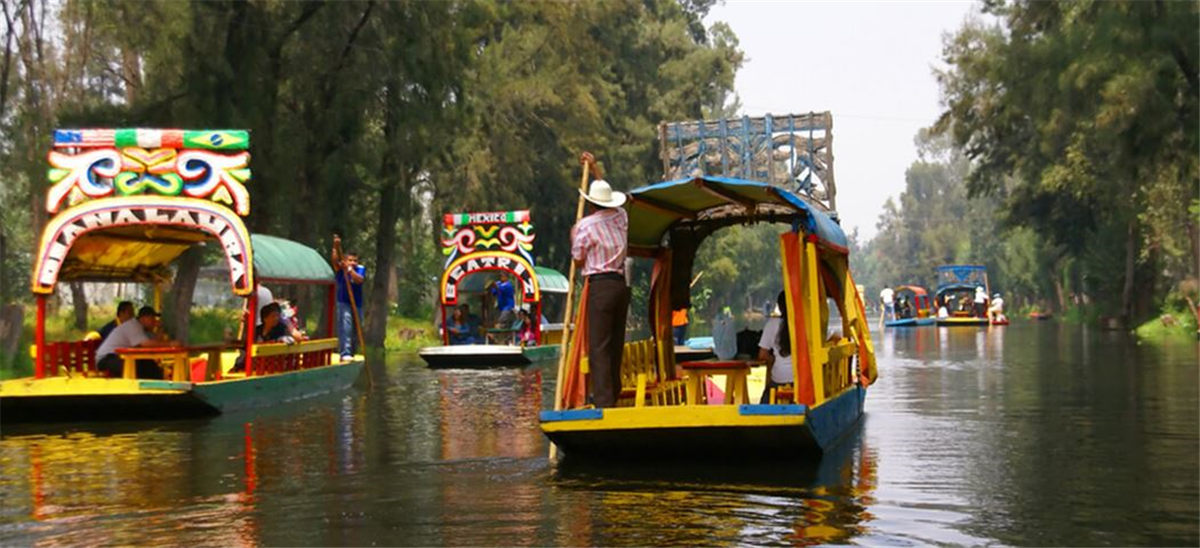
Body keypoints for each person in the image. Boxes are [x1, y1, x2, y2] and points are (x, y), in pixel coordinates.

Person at [570, 152, 629, 408]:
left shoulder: (585, 226)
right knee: (614, 343)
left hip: (601, 287)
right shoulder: (621, 217)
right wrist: (594, 169)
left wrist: (574, 234)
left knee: (599, 347)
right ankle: (612, 394)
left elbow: (578, 259)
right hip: (620, 285)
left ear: (591, 204)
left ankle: (605, 403)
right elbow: (608, 197)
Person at [95, 306, 174, 378]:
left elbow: (155, 342)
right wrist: (170, 344)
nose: (154, 320)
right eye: (152, 318)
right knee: (137, 368)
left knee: (150, 365)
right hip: (107, 359)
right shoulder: (133, 326)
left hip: (120, 357)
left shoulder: (144, 330)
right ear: (143, 318)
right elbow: (146, 344)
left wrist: (160, 329)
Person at [331, 236, 366, 361]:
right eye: (350, 260)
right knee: (346, 326)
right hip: (344, 301)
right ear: (345, 260)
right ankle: (345, 352)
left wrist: (350, 270)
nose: (353, 263)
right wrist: (335, 247)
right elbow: (335, 262)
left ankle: (353, 351)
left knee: (357, 328)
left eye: (355, 260)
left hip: (357, 303)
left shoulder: (360, 269)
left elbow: (359, 280)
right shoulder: (341, 268)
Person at [758, 291, 793, 404]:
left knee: (765, 401)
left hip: (779, 380)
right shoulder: (804, 323)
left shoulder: (772, 324)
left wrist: (773, 359)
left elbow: (762, 355)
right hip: (801, 381)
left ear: (780, 306)